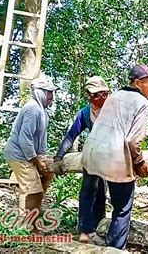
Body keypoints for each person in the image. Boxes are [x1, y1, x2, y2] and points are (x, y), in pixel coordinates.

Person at [81, 65, 148, 249]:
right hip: (114, 156)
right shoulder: (142, 103)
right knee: (123, 207)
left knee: (87, 193)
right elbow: (133, 141)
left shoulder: (114, 96)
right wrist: (139, 162)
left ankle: (85, 233)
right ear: (138, 83)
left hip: (92, 151)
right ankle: (115, 248)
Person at [53, 76, 110, 243]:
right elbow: (71, 135)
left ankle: (98, 228)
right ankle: (85, 230)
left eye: (105, 94)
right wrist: (59, 156)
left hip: (110, 158)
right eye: (97, 95)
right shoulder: (85, 113)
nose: (102, 98)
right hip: (92, 157)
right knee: (87, 192)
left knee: (101, 193)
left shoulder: (113, 110)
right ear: (89, 96)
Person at [3, 76, 58, 232]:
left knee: (48, 174)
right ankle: (31, 228)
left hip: (29, 153)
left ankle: (34, 208)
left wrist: (44, 158)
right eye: (49, 93)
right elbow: (24, 138)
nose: (52, 97)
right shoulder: (32, 109)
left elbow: (42, 138)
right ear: (40, 93)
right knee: (34, 190)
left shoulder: (43, 112)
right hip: (18, 155)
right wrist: (36, 160)